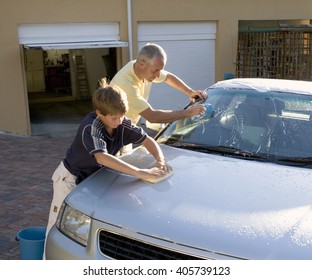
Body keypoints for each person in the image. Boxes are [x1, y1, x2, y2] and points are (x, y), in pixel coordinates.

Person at [44, 79, 171, 256]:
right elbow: (102, 157)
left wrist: (160, 160)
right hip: (69, 179)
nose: (119, 121)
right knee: (57, 227)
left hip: (91, 180)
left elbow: (147, 140)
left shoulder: (121, 122)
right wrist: (141, 172)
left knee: (83, 229)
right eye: (114, 118)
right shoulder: (91, 126)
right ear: (99, 113)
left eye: (121, 116)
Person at [109, 43, 208, 127]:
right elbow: (152, 116)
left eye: (160, 70)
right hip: (112, 136)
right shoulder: (125, 85)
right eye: (155, 70)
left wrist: (190, 92)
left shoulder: (138, 67)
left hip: (126, 131)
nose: (158, 75)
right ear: (142, 64)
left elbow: (168, 77)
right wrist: (189, 113)